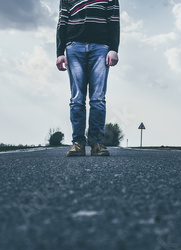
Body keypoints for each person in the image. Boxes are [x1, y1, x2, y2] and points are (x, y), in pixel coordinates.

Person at [56, 0, 120, 156]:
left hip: (101, 48)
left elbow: (114, 21)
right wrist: (59, 52)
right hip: (74, 46)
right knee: (77, 98)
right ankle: (78, 143)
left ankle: (96, 143)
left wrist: (114, 49)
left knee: (98, 98)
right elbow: (62, 23)